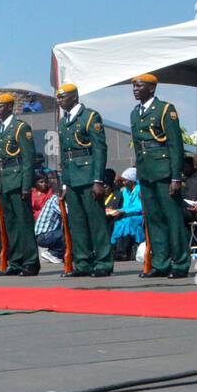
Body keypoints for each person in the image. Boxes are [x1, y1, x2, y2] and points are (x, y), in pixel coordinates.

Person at [130, 73, 189, 278]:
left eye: (140, 86)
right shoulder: (135, 113)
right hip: (147, 172)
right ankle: (161, 262)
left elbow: (175, 145)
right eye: (134, 86)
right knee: (154, 219)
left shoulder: (165, 109)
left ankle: (180, 263)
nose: (136, 89)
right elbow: (139, 147)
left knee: (173, 218)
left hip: (164, 170)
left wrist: (176, 177)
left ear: (152, 88)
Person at [55, 83, 113, 276]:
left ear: (74, 97)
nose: (60, 100)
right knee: (77, 223)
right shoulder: (63, 122)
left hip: (88, 176)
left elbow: (99, 149)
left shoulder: (90, 117)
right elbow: (64, 154)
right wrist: (64, 182)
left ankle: (103, 263)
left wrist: (98, 180)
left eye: (63, 97)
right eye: (59, 97)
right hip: (72, 177)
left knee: (96, 222)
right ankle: (82, 263)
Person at [0, 93, 39, 275]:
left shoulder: (20, 127)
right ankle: (16, 261)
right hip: (5, 181)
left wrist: (26, 186)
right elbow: (0, 161)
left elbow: (28, 159)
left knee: (24, 223)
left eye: (1, 106)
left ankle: (30, 262)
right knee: (10, 225)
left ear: (10, 107)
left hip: (19, 180)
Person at [108, 167, 144, 259]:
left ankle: (122, 251)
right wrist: (117, 210)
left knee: (127, 222)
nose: (123, 182)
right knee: (119, 222)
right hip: (129, 216)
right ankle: (118, 250)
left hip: (140, 216)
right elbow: (126, 206)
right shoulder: (125, 192)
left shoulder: (139, 189)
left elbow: (139, 207)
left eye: (125, 180)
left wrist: (123, 211)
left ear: (131, 180)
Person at [31, 173, 65, 264]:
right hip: (43, 232)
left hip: (47, 228)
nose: (44, 184)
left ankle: (56, 253)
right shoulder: (33, 194)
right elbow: (65, 213)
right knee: (67, 234)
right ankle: (53, 253)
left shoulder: (50, 194)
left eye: (46, 182)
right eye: (41, 182)